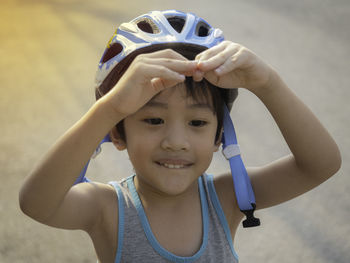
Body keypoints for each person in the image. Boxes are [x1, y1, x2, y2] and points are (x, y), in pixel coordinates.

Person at [19, 10, 341, 263]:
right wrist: (111, 108)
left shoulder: (227, 198)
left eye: (198, 123)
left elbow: (321, 164)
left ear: (219, 136)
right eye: (154, 119)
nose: (176, 140)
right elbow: (36, 203)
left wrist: (267, 83)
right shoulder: (108, 209)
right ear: (118, 133)